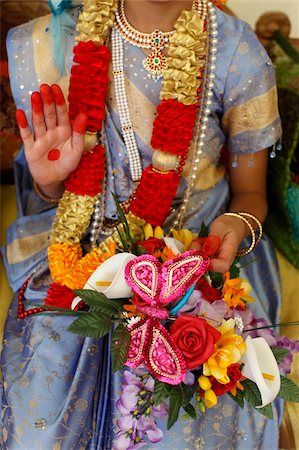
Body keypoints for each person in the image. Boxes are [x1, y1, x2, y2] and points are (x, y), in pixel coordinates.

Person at [1, 0, 283, 448]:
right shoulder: (56, 42)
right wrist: (49, 182)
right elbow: (56, 195)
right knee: (43, 416)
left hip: (192, 262)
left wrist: (235, 222)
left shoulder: (236, 52)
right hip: (87, 254)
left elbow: (251, 194)